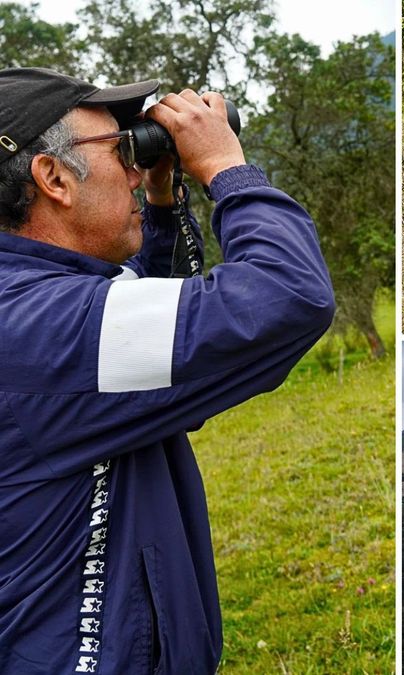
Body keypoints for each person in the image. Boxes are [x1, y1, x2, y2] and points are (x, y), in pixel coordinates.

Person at [0, 67, 335, 674]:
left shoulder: (34, 300)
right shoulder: (35, 327)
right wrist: (224, 167)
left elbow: (150, 315)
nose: (134, 165)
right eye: (121, 149)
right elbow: (288, 295)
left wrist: (160, 197)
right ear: (52, 178)